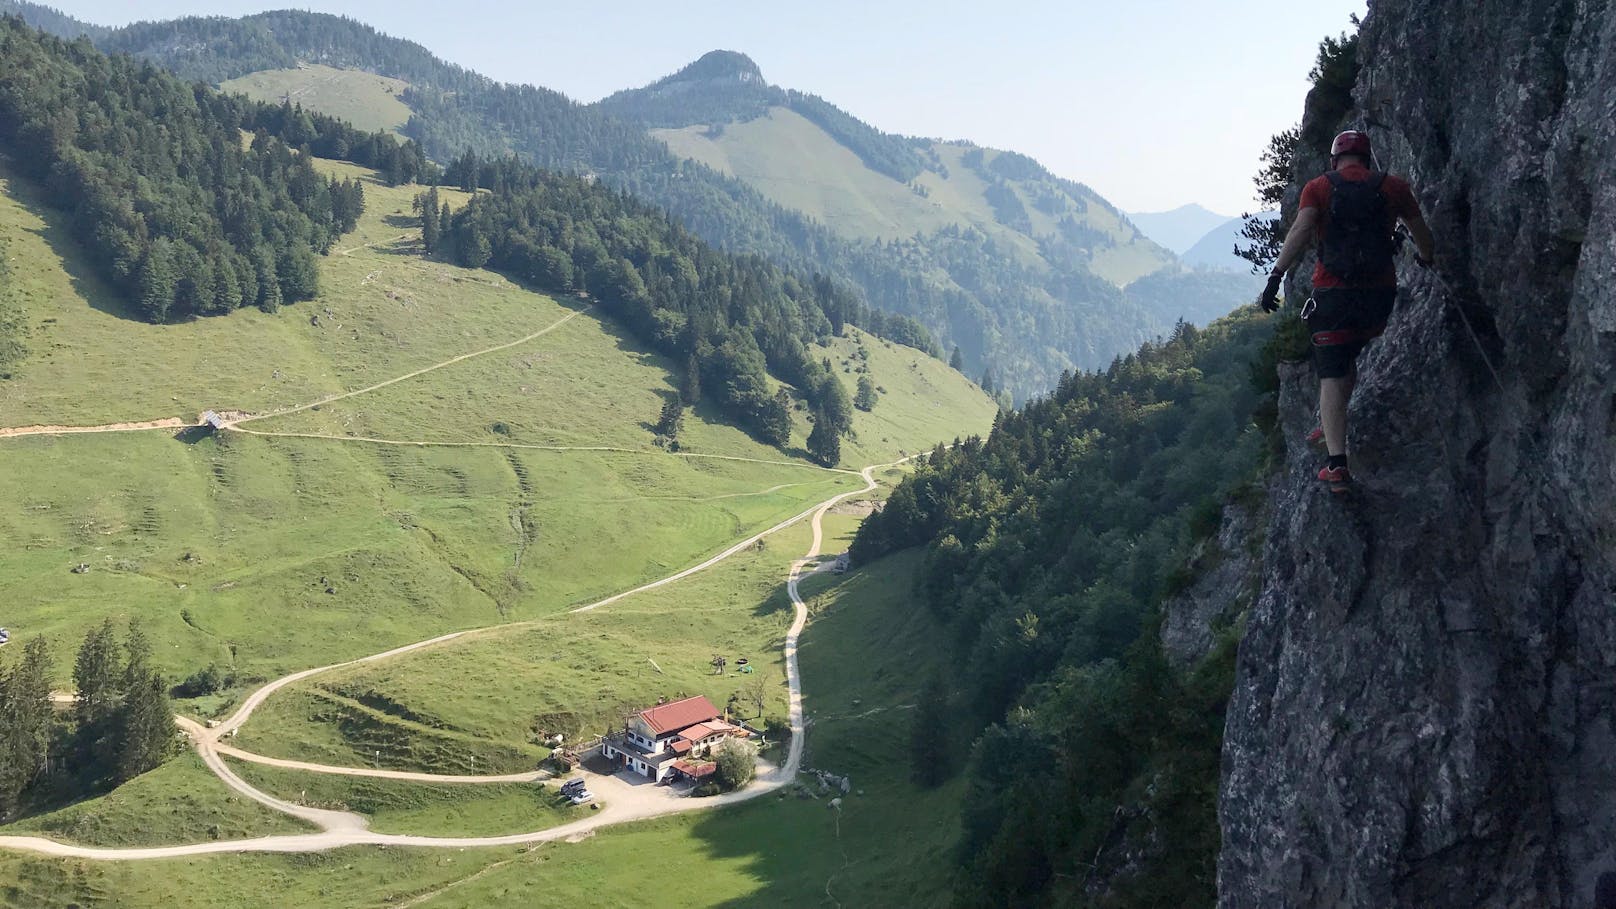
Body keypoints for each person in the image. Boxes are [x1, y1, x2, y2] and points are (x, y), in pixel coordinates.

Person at [1259, 129, 1435, 493]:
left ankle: (1336, 463)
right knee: (1352, 351)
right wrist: (1426, 258)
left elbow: (1302, 229)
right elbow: (1421, 231)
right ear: (1367, 158)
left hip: (1334, 295)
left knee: (1332, 372)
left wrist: (1276, 276)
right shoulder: (1395, 187)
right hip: (1378, 297)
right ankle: (1331, 422)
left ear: (1335, 160)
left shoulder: (1319, 188)